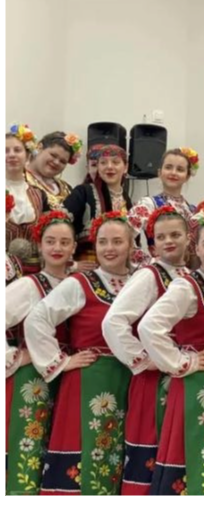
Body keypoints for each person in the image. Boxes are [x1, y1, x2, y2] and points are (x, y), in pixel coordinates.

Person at [25, 211, 134, 495]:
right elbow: (37, 319)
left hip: (128, 379)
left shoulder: (139, 281)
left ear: (131, 245)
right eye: (103, 242)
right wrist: (60, 362)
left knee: (116, 453)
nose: (109, 248)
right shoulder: (80, 282)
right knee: (87, 451)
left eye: (117, 241)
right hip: (90, 379)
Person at [138, 210, 204, 495]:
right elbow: (149, 327)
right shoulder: (186, 286)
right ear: (196, 248)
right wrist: (182, 362)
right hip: (199, 385)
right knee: (200, 455)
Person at [101, 206, 191, 494]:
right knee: (151, 448)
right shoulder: (149, 275)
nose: (168, 241)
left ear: (189, 237)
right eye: (161, 237)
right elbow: (113, 321)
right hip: (154, 381)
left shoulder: (191, 274)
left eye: (175, 235)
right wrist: (143, 359)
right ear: (152, 243)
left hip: (183, 376)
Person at [5, 211, 76, 495]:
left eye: (64, 242)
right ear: (39, 245)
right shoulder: (28, 286)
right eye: (50, 241)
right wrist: (14, 356)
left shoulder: (79, 284)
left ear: (74, 247)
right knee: (29, 449)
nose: (57, 248)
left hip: (67, 378)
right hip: (32, 380)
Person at [128, 147, 199, 267]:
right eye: (168, 167)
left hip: (187, 273)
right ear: (159, 172)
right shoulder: (148, 204)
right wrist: (145, 262)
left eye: (180, 169)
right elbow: (123, 235)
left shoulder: (192, 211)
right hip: (160, 272)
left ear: (187, 176)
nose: (173, 173)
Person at [64, 144, 131, 267]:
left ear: (125, 167)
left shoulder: (126, 199)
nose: (109, 167)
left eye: (115, 162)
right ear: (98, 167)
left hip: (120, 263)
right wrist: (71, 264)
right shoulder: (83, 192)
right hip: (89, 263)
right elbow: (58, 225)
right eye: (103, 163)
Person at [6, 124, 49, 274]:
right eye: (5, 151)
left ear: (28, 155)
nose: (12, 155)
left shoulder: (39, 194)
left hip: (34, 271)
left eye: (17, 150)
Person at [25, 131, 82, 210]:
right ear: (40, 147)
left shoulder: (67, 189)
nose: (56, 162)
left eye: (62, 161)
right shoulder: (19, 180)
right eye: (53, 155)